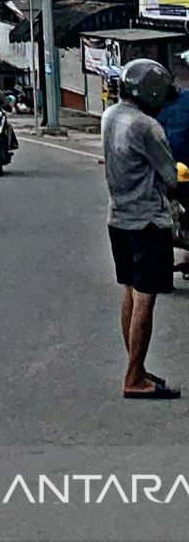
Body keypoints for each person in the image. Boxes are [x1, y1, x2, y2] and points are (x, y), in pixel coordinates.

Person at [102, 59, 180, 399]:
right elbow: (171, 176)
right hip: (148, 221)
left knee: (131, 291)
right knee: (146, 298)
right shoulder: (147, 126)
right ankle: (134, 377)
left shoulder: (111, 115)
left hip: (118, 217)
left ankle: (137, 367)